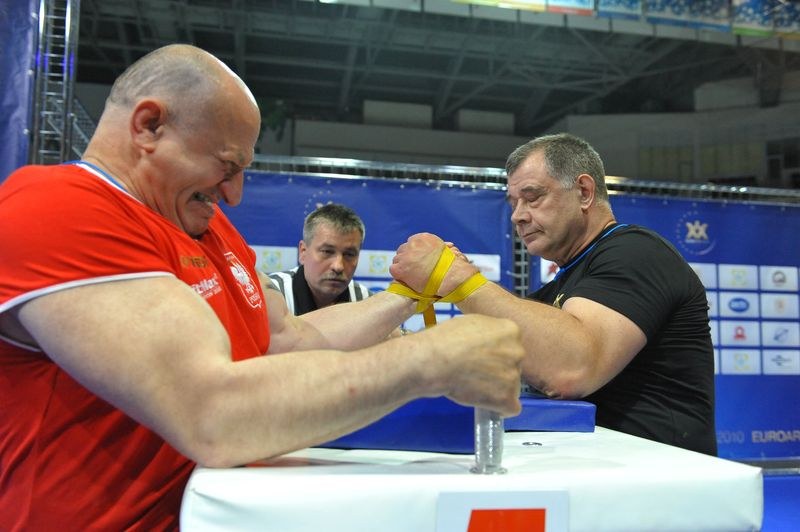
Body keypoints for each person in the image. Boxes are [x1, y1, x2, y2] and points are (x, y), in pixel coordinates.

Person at [0, 44, 525, 529]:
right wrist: (430, 361)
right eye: (227, 166)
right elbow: (212, 415)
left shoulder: (205, 224)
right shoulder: (57, 209)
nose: (234, 194)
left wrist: (408, 296)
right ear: (149, 125)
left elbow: (288, 343)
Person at [390, 133, 717, 456]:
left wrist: (457, 278)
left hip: (662, 481)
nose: (518, 215)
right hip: (613, 475)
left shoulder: (636, 253)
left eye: (532, 197)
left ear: (585, 192)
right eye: (514, 203)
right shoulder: (560, 288)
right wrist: (406, 340)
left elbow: (570, 371)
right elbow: (492, 351)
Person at [269, 203, 371, 315]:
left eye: (349, 254)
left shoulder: (366, 302)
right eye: (327, 251)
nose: (338, 266)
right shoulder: (270, 294)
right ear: (303, 252)